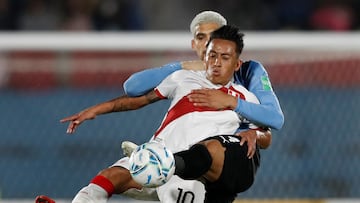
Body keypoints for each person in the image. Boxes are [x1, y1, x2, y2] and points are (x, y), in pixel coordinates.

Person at [59, 24, 272, 203]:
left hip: (188, 174)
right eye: (212, 55)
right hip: (154, 159)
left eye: (224, 58)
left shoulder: (243, 98)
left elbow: (265, 135)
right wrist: (96, 109)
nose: (217, 63)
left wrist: (255, 134)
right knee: (107, 178)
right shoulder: (183, 78)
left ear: (237, 64)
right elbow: (140, 99)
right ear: (204, 57)